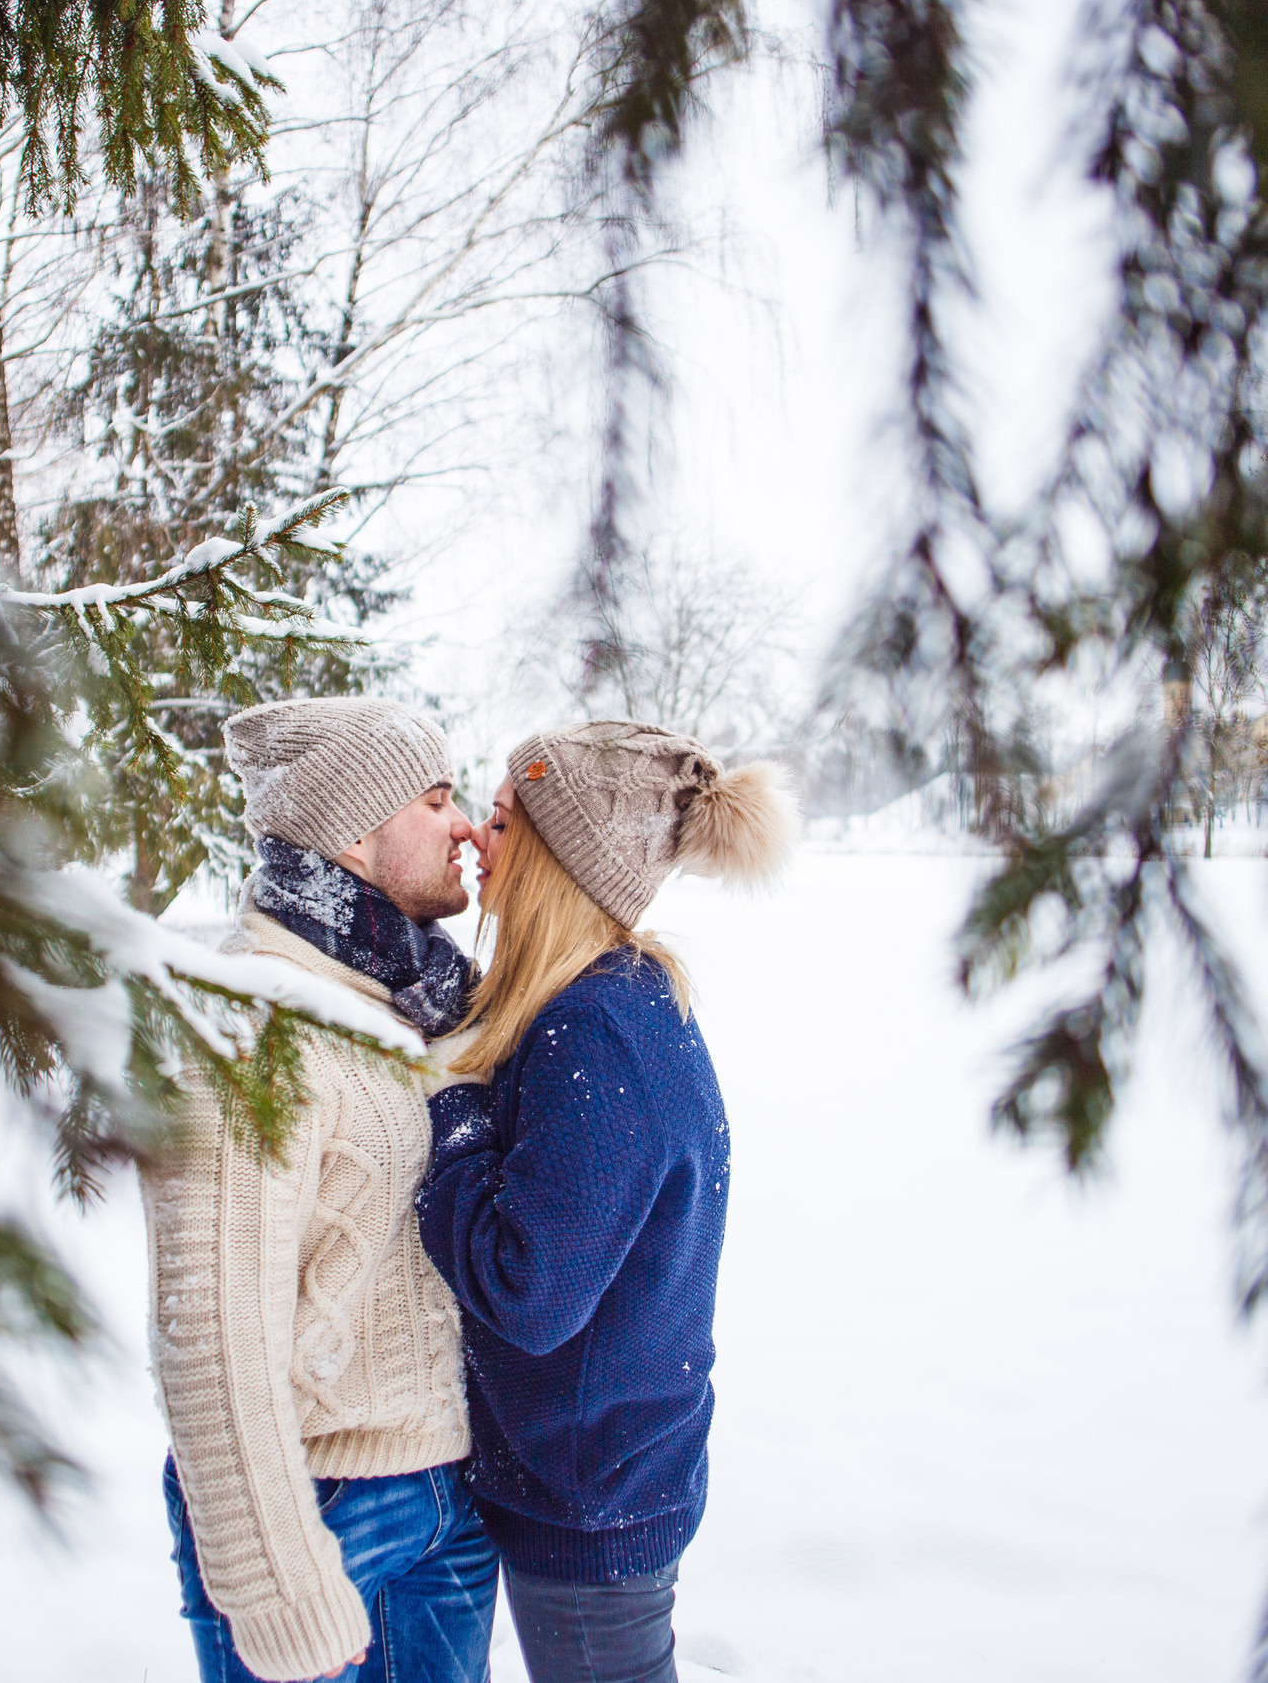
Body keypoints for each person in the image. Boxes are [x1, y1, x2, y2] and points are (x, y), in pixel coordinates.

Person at [414, 720, 796, 1683]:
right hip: (606, 1478)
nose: (475, 837)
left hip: (588, 1509)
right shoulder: (603, 1001)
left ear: (554, 853)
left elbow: (529, 1292)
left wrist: (450, 1111)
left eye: (502, 821)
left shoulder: (596, 1037)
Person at [144, 696, 499, 1683]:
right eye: (435, 799)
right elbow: (208, 1335)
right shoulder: (252, 1020)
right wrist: (280, 1584)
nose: (467, 823)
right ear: (353, 829)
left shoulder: (411, 996)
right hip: (318, 1508)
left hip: (446, 1495)